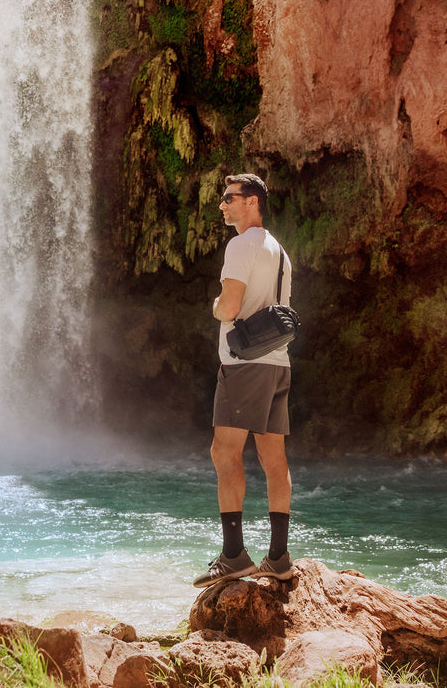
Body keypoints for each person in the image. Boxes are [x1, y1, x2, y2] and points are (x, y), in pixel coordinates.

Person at [193, 172, 295, 587]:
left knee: (224, 451)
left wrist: (216, 304)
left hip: (243, 365)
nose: (223, 205)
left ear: (252, 201)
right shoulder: (279, 250)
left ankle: (234, 555)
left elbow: (229, 307)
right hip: (277, 363)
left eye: (229, 197)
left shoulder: (241, 245)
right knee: (274, 459)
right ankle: (278, 556)